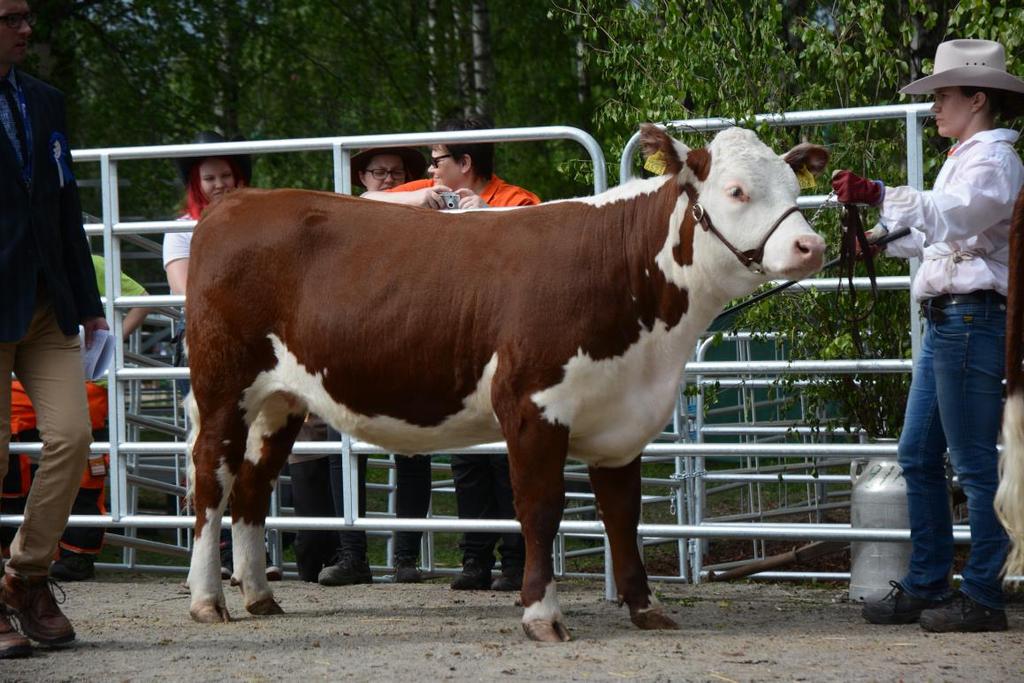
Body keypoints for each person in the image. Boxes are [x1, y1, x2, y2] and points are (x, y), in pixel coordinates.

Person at [832, 38, 1024, 633]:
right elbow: (939, 231)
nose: (935, 106)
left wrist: (879, 195)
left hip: (971, 319)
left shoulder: (994, 162)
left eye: (943, 96)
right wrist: (881, 238)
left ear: (977, 97)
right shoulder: (967, 155)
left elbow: (959, 214)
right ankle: (929, 580)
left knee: (969, 461)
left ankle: (985, 593)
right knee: (919, 453)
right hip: (950, 322)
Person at [364, 115, 539, 591]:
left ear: (465, 162)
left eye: (438, 160)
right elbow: (361, 204)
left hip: (504, 340)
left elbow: (538, 258)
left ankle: (516, 562)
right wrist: (417, 198)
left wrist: (488, 217)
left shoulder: (517, 201)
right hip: (455, 338)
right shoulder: (429, 189)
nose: (431, 169)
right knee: (465, 457)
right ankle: (474, 561)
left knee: (507, 455)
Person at [0, 0, 107, 658]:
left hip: (46, 301)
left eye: (27, 15)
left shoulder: (45, 100)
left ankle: (25, 575)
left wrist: (90, 301)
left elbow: (67, 204)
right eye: (11, 17)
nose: (26, 28)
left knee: (73, 436)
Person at [302, 145, 434, 585]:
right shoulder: (348, 217)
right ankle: (352, 553)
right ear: (362, 178)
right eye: (378, 171)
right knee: (346, 446)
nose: (388, 178)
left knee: (413, 446)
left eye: (397, 171)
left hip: (413, 340)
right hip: (355, 344)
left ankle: (406, 557)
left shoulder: (428, 217)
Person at [161, 131, 281, 581]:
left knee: (263, 448)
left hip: (259, 345)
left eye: (226, 174)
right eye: (209, 176)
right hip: (205, 342)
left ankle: (254, 551)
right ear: (196, 182)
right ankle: (222, 553)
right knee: (212, 444)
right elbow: (186, 291)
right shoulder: (181, 230)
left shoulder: (261, 228)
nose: (219, 184)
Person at [1, 255, 152, 583]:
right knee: (15, 463)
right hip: (22, 375)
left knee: (82, 458)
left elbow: (139, 297)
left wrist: (111, 341)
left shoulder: (93, 262)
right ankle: (17, 550)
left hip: (78, 372)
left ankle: (71, 555)